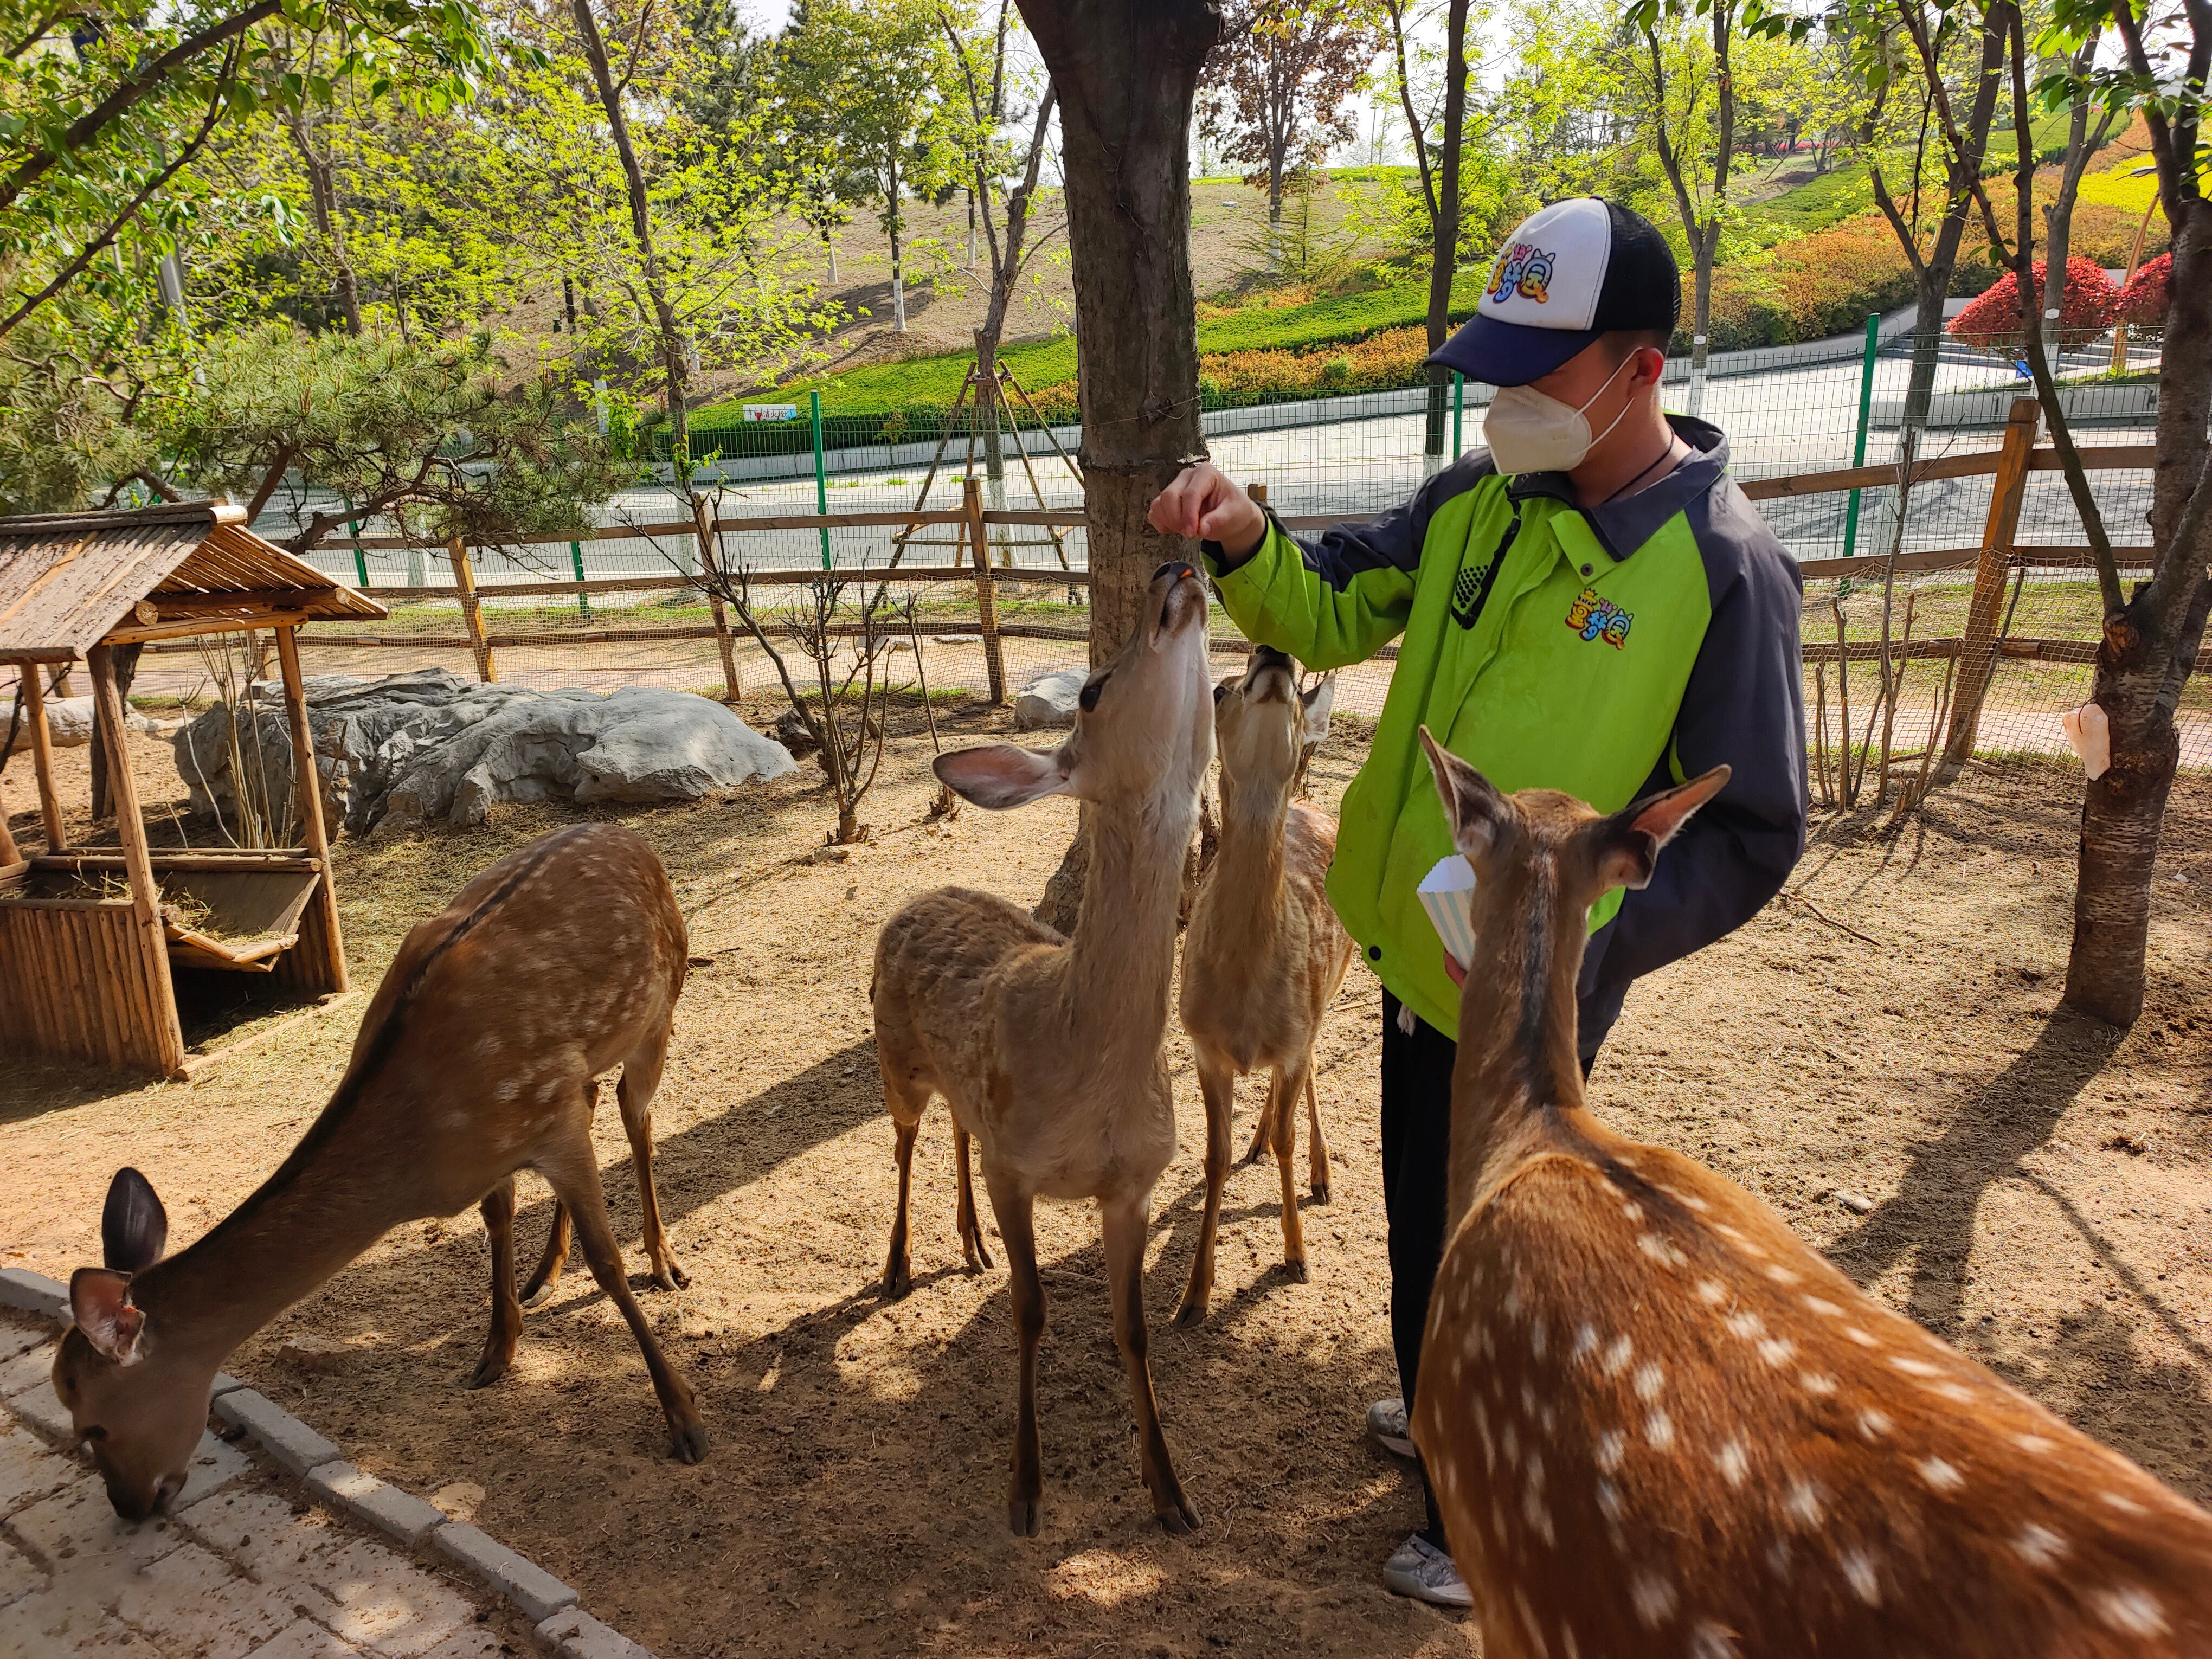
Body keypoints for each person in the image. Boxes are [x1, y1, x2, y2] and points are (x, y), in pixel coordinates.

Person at [1148, 197, 1809, 1608]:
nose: (1503, 401)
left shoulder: (1724, 571)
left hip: (1527, 998)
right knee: (1424, 1221)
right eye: (1493, 369)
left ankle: (1477, 1512)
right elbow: (1331, 605)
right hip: (1413, 951)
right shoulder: (1479, 499)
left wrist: (1582, 938)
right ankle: (1441, 1401)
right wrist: (1249, 538)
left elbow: (1751, 828)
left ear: (1640, 369)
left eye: (1533, 371)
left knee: (1489, 1241)